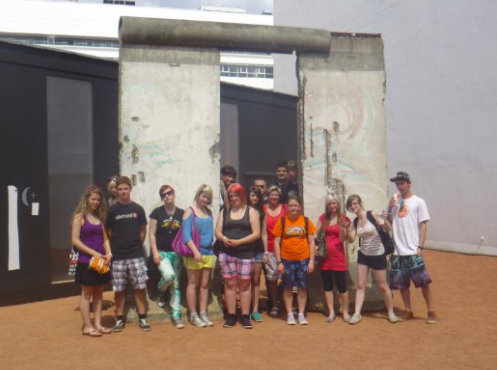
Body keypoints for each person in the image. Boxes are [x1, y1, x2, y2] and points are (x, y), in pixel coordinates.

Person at [387, 171, 436, 324]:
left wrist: (420, 246)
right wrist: (389, 208)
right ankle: (408, 310)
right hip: (397, 250)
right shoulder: (394, 202)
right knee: (402, 284)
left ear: (409, 183)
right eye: (397, 183)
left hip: (413, 249)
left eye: (402, 183)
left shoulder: (418, 202)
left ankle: (431, 310)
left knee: (423, 282)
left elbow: (423, 225)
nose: (400, 186)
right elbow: (389, 224)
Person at [343, 194, 399, 325]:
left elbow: (388, 228)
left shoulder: (372, 214)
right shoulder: (355, 222)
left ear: (360, 203)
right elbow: (351, 239)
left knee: (383, 286)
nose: (353, 206)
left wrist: (384, 220)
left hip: (378, 255)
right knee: (361, 285)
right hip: (364, 256)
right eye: (351, 205)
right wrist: (345, 229)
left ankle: (391, 312)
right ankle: (357, 314)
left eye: (355, 203)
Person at [105, 176, 150, 332]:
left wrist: (136, 243)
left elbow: (143, 230)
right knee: (119, 289)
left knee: (139, 287)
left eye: (125, 188)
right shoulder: (112, 211)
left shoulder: (138, 209)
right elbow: (109, 231)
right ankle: (119, 319)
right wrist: (118, 244)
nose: (123, 192)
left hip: (136, 254)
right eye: (120, 189)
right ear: (116, 191)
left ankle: (143, 318)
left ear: (130, 189)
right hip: (118, 256)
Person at [215, 183, 261, 329]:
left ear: (242, 195)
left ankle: (245, 316)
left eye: (236, 195)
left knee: (245, 284)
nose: (233, 198)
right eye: (231, 196)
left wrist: (239, 242)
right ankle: (231, 315)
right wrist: (223, 238)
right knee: (229, 285)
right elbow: (217, 230)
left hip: (245, 254)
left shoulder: (251, 211)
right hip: (227, 253)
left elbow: (256, 233)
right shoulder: (224, 211)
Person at [71, 185, 112, 337]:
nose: (95, 202)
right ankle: (87, 326)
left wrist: (108, 253)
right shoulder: (79, 217)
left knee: (99, 295)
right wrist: (94, 253)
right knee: (86, 295)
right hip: (86, 262)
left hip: (101, 263)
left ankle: (98, 324)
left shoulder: (100, 219)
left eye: (98, 200)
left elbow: (105, 239)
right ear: (87, 199)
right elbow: (75, 241)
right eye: (93, 199)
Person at [273, 194, 316, 325]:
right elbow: (276, 242)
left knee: (302, 287)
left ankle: (301, 314)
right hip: (287, 259)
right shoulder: (282, 222)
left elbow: (312, 242)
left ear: (300, 207)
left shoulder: (306, 221)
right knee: (288, 287)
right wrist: (279, 262)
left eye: (295, 205)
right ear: (287, 207)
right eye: (291, 205)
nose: (293, 208)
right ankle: (290, 314)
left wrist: (311, 261)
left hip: (303, 258)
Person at [149, 184, 185, 329]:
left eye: (169, 193)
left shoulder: (182, 213)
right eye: (163, 194)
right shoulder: (156, 213)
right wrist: (155, 252)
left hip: (177, 253)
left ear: (173, 194)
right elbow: (151, 233)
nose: (166, 196)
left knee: (176, 285)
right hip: (162, 252)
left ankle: (176, 315)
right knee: (169, 276)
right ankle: (160, 291)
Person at [183, 184, 216, 328]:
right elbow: (186, 236)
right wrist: (195, 252)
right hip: (194, 253)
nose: (205, 200)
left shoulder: (209, 212)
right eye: (203, 196)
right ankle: (193, 314)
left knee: (204, 285)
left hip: (209, 253)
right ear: (198, 195)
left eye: (208, 198)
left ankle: (203, 313)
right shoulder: (189, 212)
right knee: (193, 284)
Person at [315, 195, 351, 323]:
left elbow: (343, 239)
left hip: (338, 257)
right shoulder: (323, 218)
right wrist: (315, 247)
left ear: (338, 204)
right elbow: (316, 234)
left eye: (334, 203)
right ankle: (331, 312)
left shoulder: (344, 219)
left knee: (342, 286)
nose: (332, 206)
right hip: (324, 258)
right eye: (330, 204)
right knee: (328, 286)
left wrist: (342, 228)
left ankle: (345, 312)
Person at [263, 185, 287, 317]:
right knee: (272, 279)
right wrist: (266, 251)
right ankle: (275, 304)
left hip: (285, 248)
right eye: (272, 194)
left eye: (276, 194)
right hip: (270, 248)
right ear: (268, 195)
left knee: (286, 277)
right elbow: (263, 233)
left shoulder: (285, 208)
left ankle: (285, 303)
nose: (274, 197)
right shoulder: (264, 209)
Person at [247, 186, 268, 322]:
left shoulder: (262, 212)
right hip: (245, 250)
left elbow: (264, 233)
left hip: (259, 249)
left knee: (255, 280)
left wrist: (266, 251)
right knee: (245, 281)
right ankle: (245, 309)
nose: (254, 198)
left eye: (256, 196)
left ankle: (255, 310)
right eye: (252, 195)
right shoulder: (243, 211)